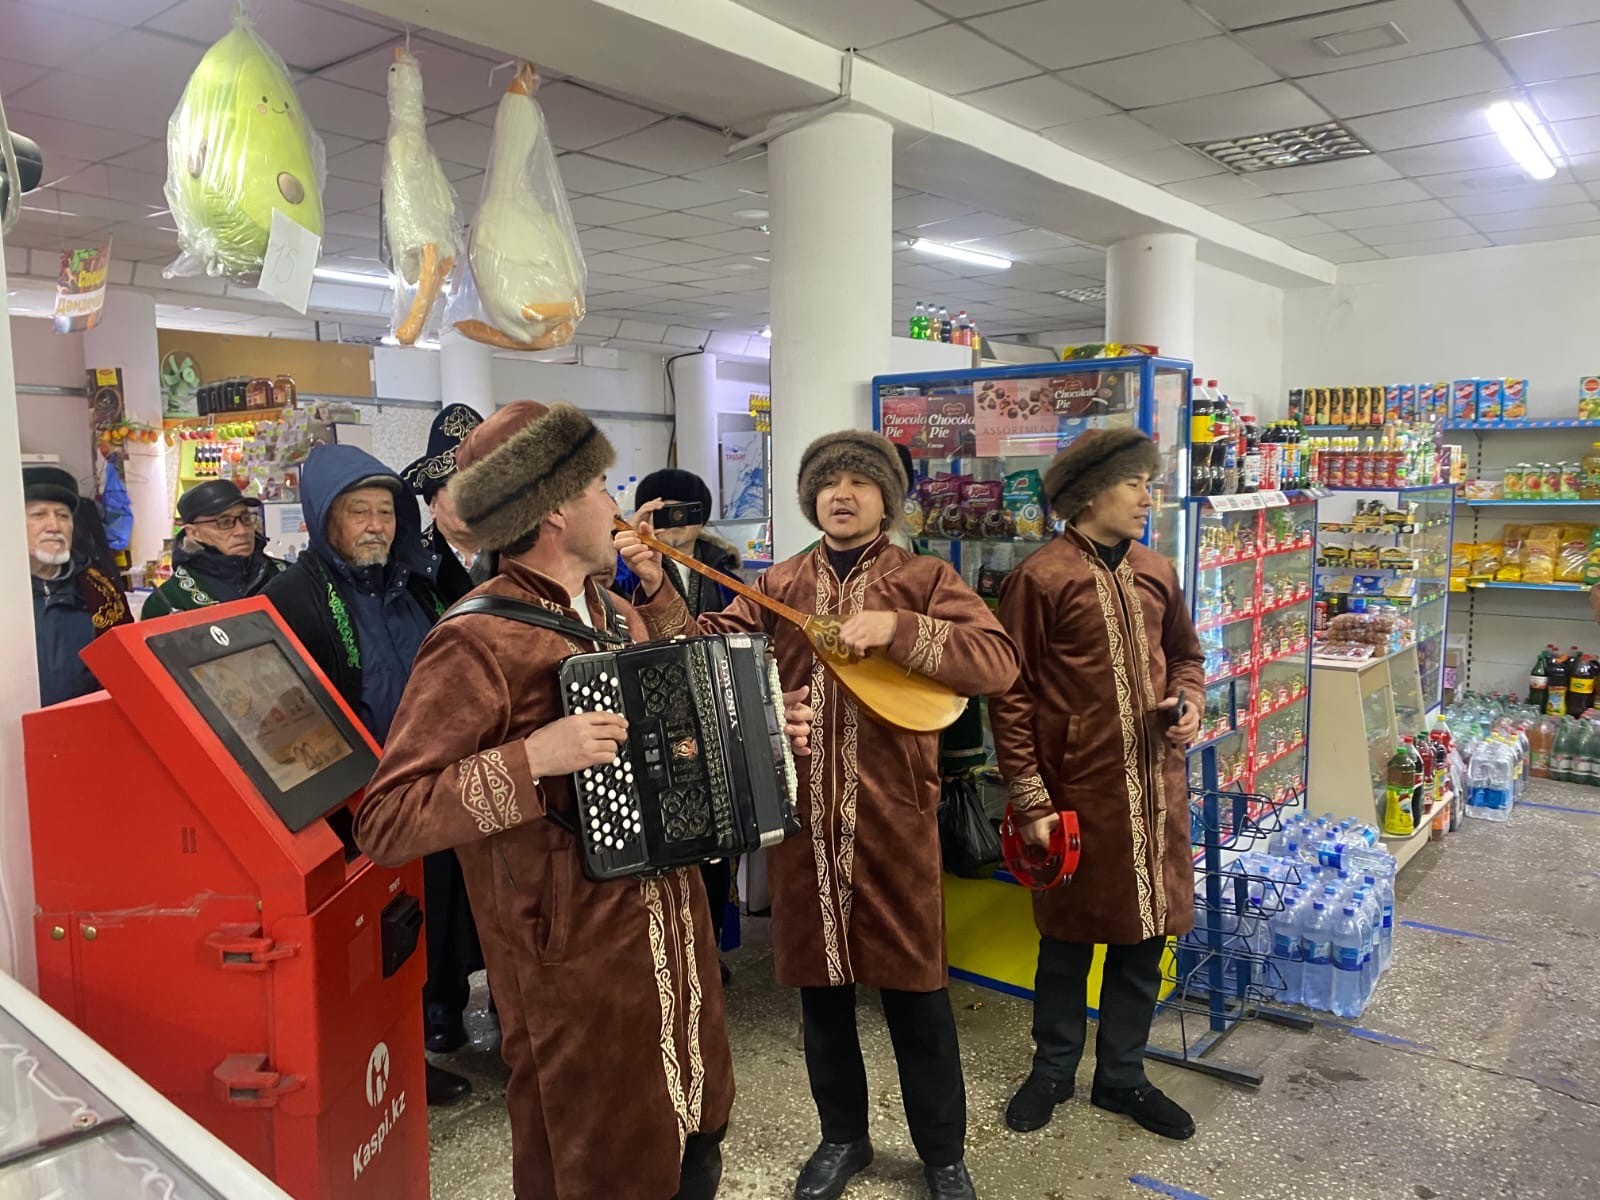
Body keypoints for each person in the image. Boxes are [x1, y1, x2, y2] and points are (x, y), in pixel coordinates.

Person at [354, 400, 813, 1200]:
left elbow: (676, 740)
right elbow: (388, 819)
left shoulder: (614, 613)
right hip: (570, 973)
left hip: (672, 942)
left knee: (692, 1141)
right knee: (597, 1163)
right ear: (557, 509)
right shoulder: (475, 640)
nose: (616, 506)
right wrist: (532, 759)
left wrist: (764, 736)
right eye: (601, 486)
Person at [618, 430, 1020, 1200]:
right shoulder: (782, 582)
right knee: (821, 996)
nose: (842, 494)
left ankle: (942, 1155)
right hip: (804, 828)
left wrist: (898, 628)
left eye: (859, 482)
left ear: (886, 499)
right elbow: (696, 651)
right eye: (828, 482)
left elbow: (997, 662)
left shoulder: (924, 578)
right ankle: (843, 1139)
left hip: (896, 824)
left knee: (918, 997)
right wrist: (657, 583)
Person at [988, 428, 1204, 1142]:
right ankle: (1052, 1070)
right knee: (1068, 939)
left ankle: (1122, 1076)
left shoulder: (1156, 570)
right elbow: (1010, 695)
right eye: (1134, 483)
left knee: (1145, 937)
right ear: (1089, 493)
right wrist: (1029, 796)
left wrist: (1189, 702)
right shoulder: (1040, 578)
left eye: (1149, 483)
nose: (1147, 498)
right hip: (1076, 793)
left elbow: (1186, 655)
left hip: (1157, 788)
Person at [262, 442, 473, 1108]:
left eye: (386, 511)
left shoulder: (417, 588)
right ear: (324, 518)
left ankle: (423, 1032)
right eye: (360, 512)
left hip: (431, 788)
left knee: (432, 916)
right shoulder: (291, 600)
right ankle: (384, 1058)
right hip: (354, 805)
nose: (377, 526)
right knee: (376, 937)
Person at [616, 467, 744, 970]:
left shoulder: (724, 574)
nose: (675, 522)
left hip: (710, 718)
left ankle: (709, 948)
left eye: (686, 512)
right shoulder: (623, 572)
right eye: (662, 511)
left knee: (718, 839)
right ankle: (660, 952)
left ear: (702, 517)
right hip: (645, 721)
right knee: (659, 835)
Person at [398, 403, 494, 1053]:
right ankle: (442, 1000)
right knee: (443, 880)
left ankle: (509, 996)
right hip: (441, 742)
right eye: (458, 487)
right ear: (433, 500)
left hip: (510, 737)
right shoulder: (413, 569)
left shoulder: (516, 557)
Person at [24, 466, 130, 706]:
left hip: (87, 722)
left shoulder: (102, 591)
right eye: (39, 514)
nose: (54, 526)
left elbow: (126, 670)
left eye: (63, 516)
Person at [140, 480, 285, 618]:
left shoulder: (286, 575)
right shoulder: (170, 600)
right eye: (225, 522)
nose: (241, 531)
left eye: (246, 518)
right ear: (194, 533)